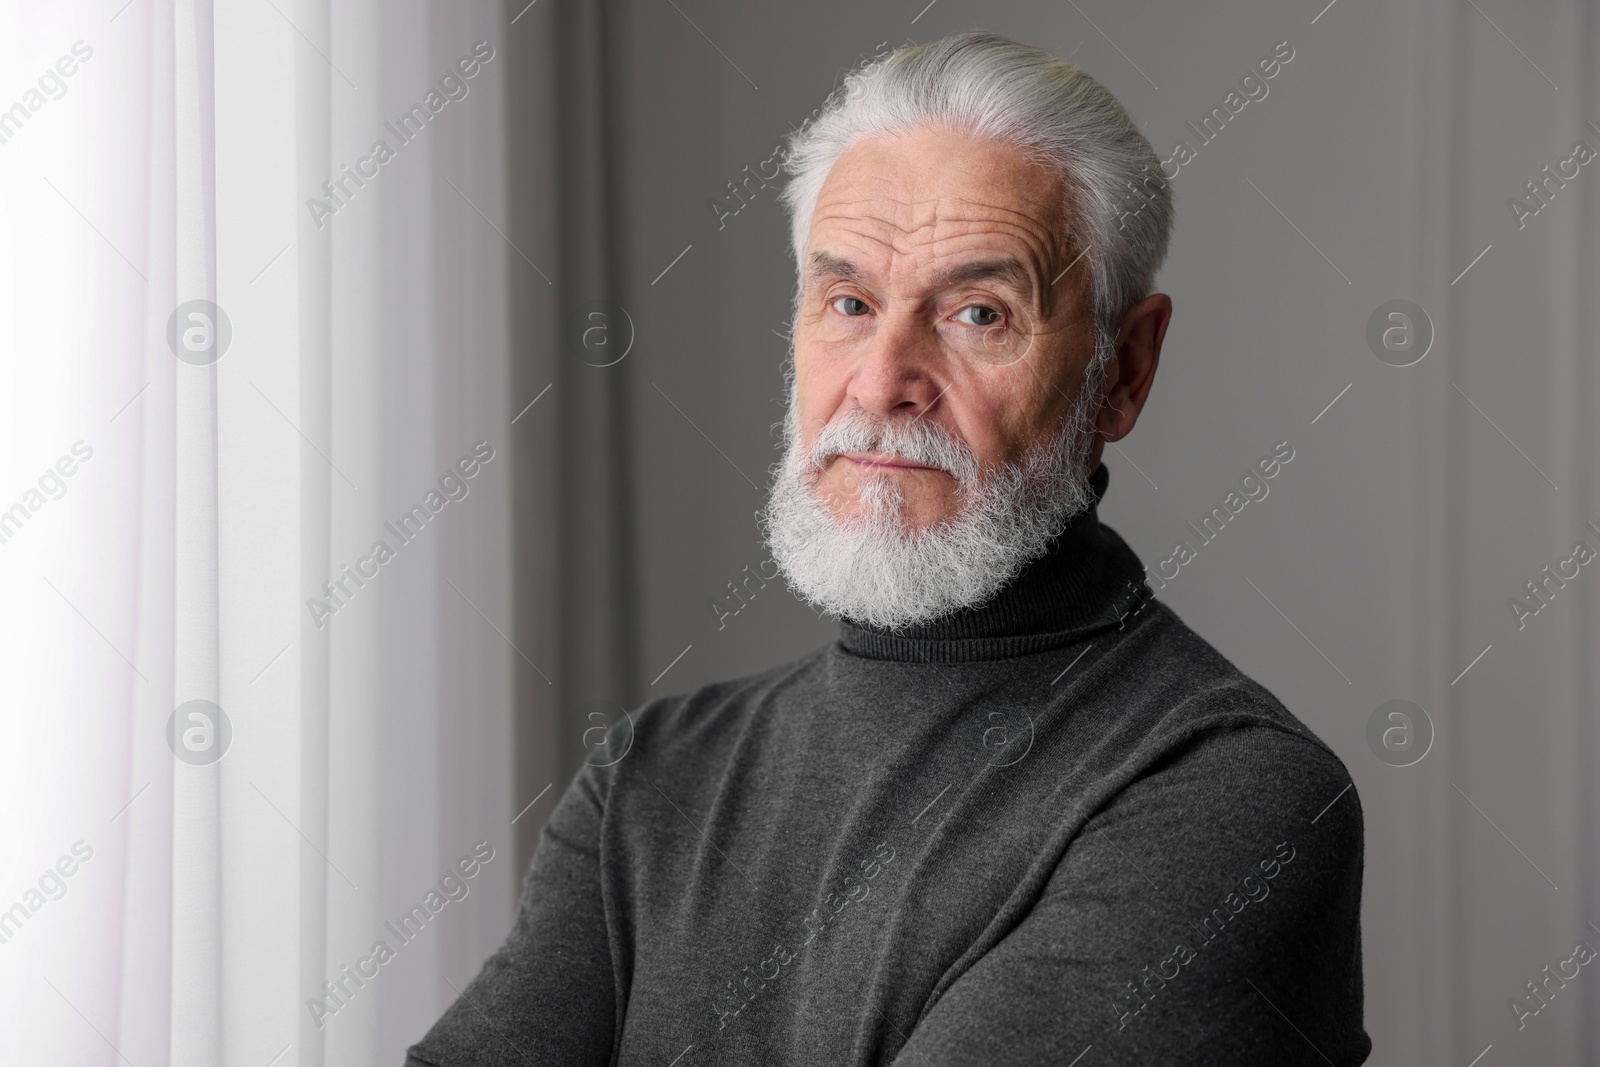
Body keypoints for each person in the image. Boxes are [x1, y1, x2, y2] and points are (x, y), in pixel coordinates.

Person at [406, 30, 1369, 1066]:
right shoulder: (653, 780)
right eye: (850, 304)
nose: (879, 381)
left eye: (976, 312)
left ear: (1122, 371)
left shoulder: (1229, 797)